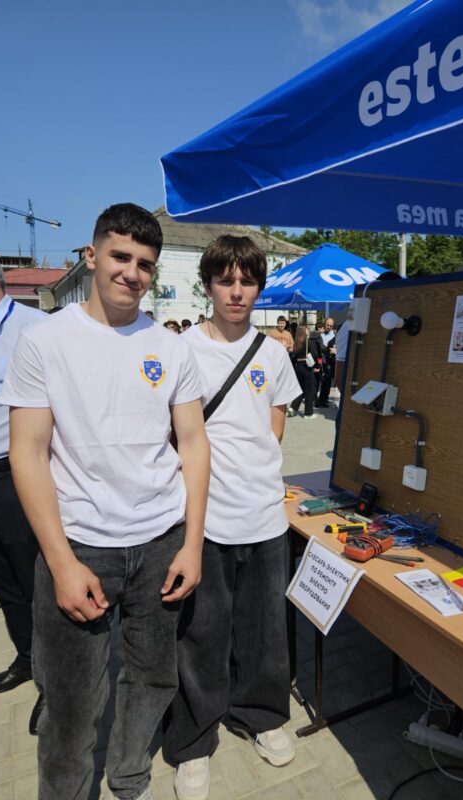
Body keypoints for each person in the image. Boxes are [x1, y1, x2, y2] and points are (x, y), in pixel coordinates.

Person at [0, 203, 210, 800]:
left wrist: (193, 544)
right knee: (70, 701)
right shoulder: (44, 341)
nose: (132, 273)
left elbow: (194, 444)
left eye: (145, 264)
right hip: (80, 546)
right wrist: (61, 563)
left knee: (152, 679)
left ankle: (130, 776)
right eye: (121, 256)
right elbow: (27, 452)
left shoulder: (170, 347)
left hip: (161, 541)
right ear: (91, 257)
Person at [163, 235, 301, 800]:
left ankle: (262, 715)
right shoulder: (182, 349)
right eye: (226, 280)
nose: (237, 291)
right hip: (205, 518)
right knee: (201, 634)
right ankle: (194, 739)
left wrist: (253, 471)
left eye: (247, 281)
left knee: (265, 630)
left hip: (265, 515)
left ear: (258, 287)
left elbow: (275, 423)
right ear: (208, 285)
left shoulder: (273, 352)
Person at [0, 249, 44, 703]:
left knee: (35, 580)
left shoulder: (34, 329)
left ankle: (53, 677)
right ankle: (26, 658)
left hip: (14, 476)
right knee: (3, 581)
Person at [287, 324, 320, 419]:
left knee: (301, 389)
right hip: (307, 367)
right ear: (304, 331)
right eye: (307, 329)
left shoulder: (296, 343)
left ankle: (293, 408)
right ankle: (308, 413)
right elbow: (314, 354)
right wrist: (316, 365)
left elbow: (293, 356)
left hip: (298, 367)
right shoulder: (307, 341)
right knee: (309, 390)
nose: (308, 330)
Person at [316, 317, 335, 407]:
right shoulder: (320, 333)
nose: (329, 327)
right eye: (327, 325)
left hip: (328, 360)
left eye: (331, 326)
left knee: (327, 381)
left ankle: (324, 399)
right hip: (319, 359)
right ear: (324, 324)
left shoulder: (334, 335)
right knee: (317, 379)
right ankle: (316, 399)